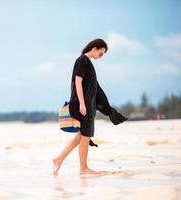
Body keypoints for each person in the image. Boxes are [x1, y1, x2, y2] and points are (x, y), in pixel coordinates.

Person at [52, 38, 128, 176]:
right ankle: (83, 168)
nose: (101, 56)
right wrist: (81, 103)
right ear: (94, 48)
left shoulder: (87, 63)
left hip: (87, 105)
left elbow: (93, 87)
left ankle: (58, 160)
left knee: (79, 138)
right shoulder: (82, 61)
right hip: (84, 105)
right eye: (101, 53)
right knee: (85, 136)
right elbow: (78, 82)